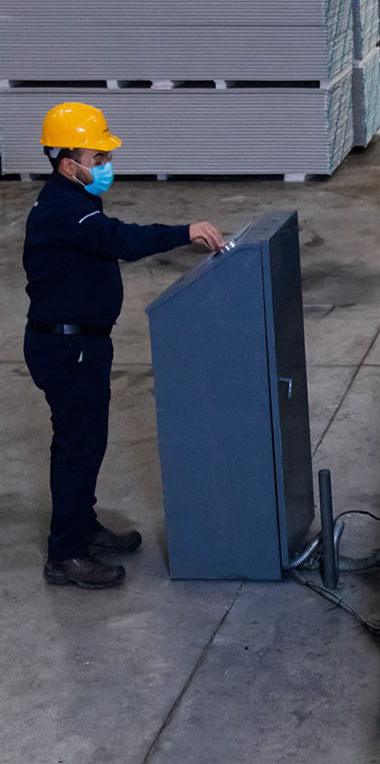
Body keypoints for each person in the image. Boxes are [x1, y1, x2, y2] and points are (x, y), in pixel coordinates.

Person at [23, 102, 226, 589]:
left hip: (80, 344)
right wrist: (184, 232)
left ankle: (82, 526)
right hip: (67, 349)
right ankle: (65, 554)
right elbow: (121, 240)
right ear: (67, 164)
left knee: (82, 445)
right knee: (77, 449)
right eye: (97, 158)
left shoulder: (73, 200)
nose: (105, 165)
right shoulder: (64, 211)